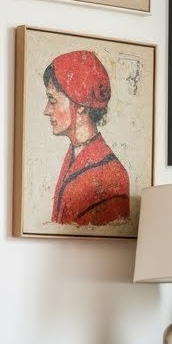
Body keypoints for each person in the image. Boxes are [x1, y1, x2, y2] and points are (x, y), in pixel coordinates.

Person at [43, 49, 130, 227]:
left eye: (52, 100)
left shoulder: (112, 173)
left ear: (81, 106)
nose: (47, 110)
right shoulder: (74, 153)